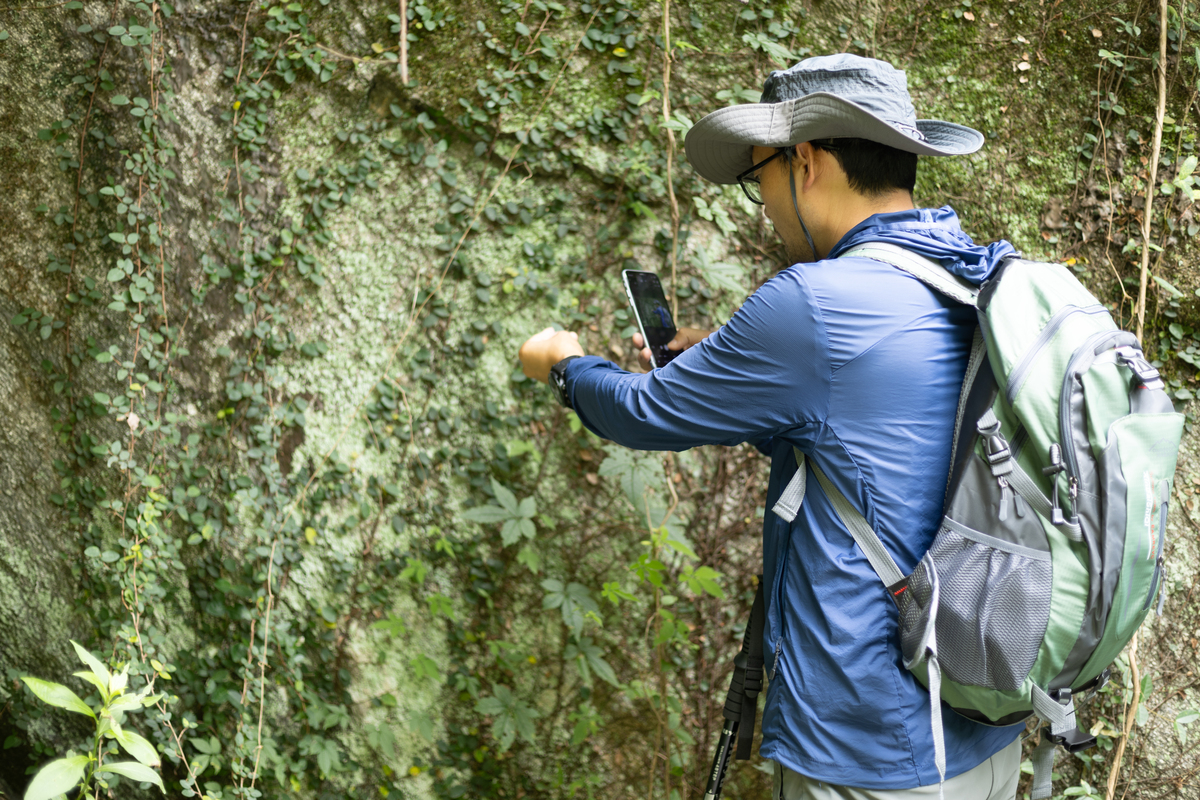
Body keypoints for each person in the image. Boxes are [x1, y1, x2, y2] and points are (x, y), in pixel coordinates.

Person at [518, 54, 1025, 800]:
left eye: (760, 178)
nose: (763, 205)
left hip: (868, 741)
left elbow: (640, 410)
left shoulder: (814, 301)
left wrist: (564, 364)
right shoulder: (975, 276)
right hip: (983, 719)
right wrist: (724, 373)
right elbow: (876, 449)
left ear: (807, 161)